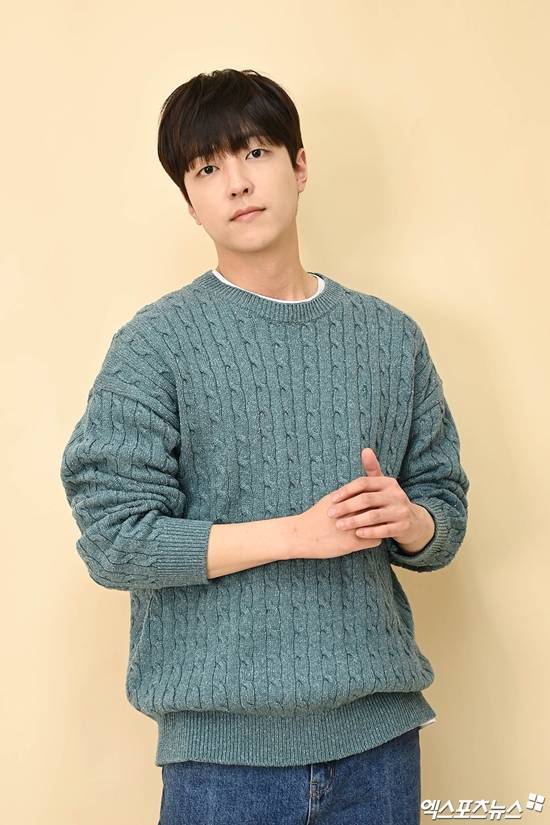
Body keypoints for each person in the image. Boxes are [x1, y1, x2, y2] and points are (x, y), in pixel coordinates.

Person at [59, 68, 470, 825]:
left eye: (255, 153)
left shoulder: (390, 337)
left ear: (299, 164)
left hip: (380, 743)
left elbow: (443, 506)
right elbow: (114, 541)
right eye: (206, 169)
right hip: (222, 763)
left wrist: (412, 522)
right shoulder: (155, 345)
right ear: (190, 202)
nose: (237, 183)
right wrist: (296, 536)